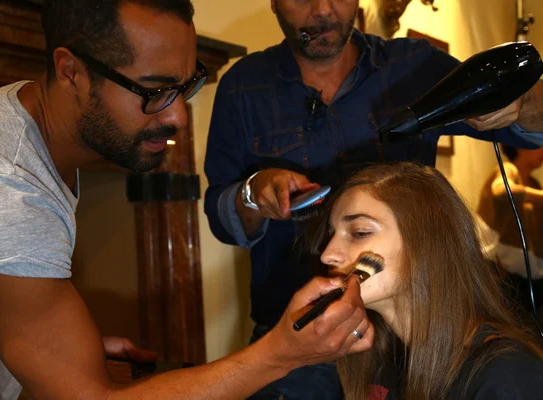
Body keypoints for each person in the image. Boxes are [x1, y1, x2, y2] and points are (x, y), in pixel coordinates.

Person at [0, 1, 375, 399]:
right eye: (154, 91)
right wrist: (282, 353)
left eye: (186, 87)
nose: (177, 117)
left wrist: (66, 351)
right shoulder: (1, 184)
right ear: (70, 71)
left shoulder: (23, 122)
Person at [203, 0, 543, 397]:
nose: (323, 10)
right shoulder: (243, 88)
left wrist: (523, 103)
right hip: (297, 334)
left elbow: (527, 130)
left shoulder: (415, 67)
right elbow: (220, 217)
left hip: (404, 339)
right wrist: (252, 193)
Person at [306, 162, 543, 399]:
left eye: (359, 232)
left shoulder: (505, 373)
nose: (328, 254)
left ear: (427, 245)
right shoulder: (376, 358)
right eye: (331, 234)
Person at [477, 145, 543, 320]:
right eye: (538, 145)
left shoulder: (534, 183)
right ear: (521, 146)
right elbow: (501, 190)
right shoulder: (508, 169)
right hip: (506, 278)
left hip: (529, 278)